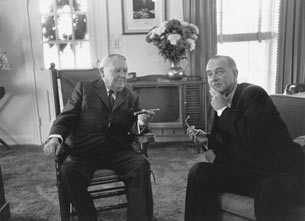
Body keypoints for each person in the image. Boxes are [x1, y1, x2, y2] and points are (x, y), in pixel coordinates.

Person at [184, 55, 304, 221]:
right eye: (210, 74)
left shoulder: (254, 94)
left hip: (278, 171)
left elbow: (253, 139)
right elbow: (230, 144)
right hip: (248, 171)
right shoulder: (219, 101)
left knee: (269, 189)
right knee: (199, 172)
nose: (214, 78)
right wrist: (208, 140)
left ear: (235, 74)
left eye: (219, 72)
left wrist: (223, 111)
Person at [43, 54, 156, 221]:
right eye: (117, 70)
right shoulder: (84, 89)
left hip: (117, 151)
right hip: (84, 152)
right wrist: (55, 138)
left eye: (125, 71)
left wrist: (140, 122)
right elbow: (66, 118)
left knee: (141, 164)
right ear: (102, 72)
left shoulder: (131, 96)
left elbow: (134, 129)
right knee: (69, 171)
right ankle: (87, 216)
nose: (123, 75)